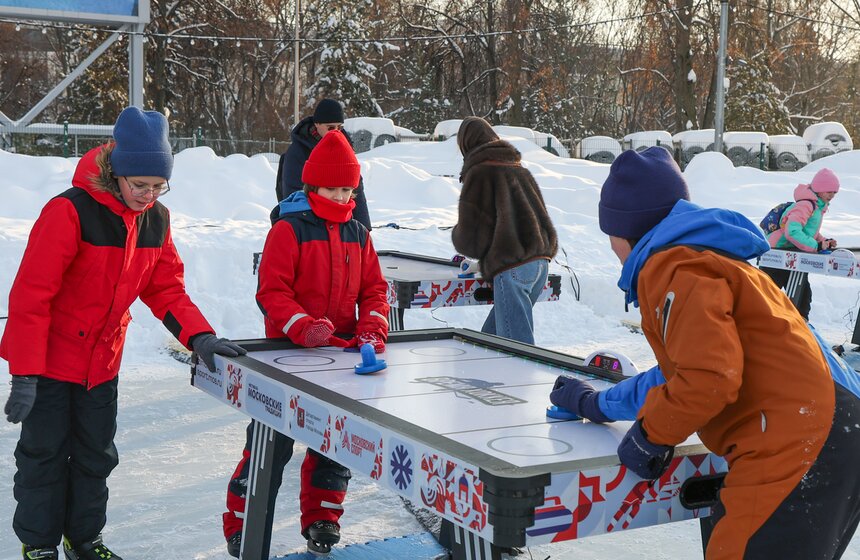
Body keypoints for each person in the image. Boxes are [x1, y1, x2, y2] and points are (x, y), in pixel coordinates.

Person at [550, 147, 860, 560]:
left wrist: (650, 435)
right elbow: (680, 375)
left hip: (800, 439)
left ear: (623, 231)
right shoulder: (713, 263)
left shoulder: (674, 270)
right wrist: (597, 403)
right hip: (832, 428)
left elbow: (709, 379)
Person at [1, 107, 245, 560]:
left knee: (96, 457)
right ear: (116, 173)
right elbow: (31, 297)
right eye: (140, 185)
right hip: (51, 364)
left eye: (159, 186)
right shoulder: (69, 212)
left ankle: (84, 540)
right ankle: (38, 546)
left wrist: (200, 337)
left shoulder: (156, 220)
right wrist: (25, 374)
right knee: (44, 458)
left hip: (102, 364)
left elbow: (166, 289)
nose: (148, 195)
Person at [223, 129, 389, 557]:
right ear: (312, 186)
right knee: (268, 448)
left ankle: (322, 518)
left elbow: (375, 289)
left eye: (349, 189)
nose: (342, 197)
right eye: (334, 189)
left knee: (334, 445)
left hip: (340, 359)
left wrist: (372, 327)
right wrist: (301, 326)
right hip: (288, 359)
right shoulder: (288, 230)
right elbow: (272, 293)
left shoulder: (359, 233)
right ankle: (242, 523)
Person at [451, 116, 558, 345]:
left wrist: (458, 234)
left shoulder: (480, 172)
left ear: (466, 144)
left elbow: (471, 240)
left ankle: (523, 381)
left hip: (512, 268)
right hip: (540, 264)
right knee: (488, 345)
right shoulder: (518, 168)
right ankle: (478, 378)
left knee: (517, 353)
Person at [275, 98, 372, 230]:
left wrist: (364, 228)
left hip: (343, 225)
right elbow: (294, 195)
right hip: (309, 227)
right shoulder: (298, 152)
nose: (336, 131)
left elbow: (356, 189)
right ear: (317, 124)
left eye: (340, 127)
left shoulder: (345, 147)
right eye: (331, 127)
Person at [761, 167, 840, 320]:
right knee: (768, 292)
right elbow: (792, 231)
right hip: (778, 253)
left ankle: (799, 324)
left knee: (802, 293)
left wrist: (823, 241)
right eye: (829, 191)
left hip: (792, 254)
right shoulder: (806, 205)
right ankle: (763, 321)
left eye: (835, 192)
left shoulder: (817, 207)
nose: (832, 195)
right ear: (819, 189)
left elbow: (809, 232)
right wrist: (815, 246)